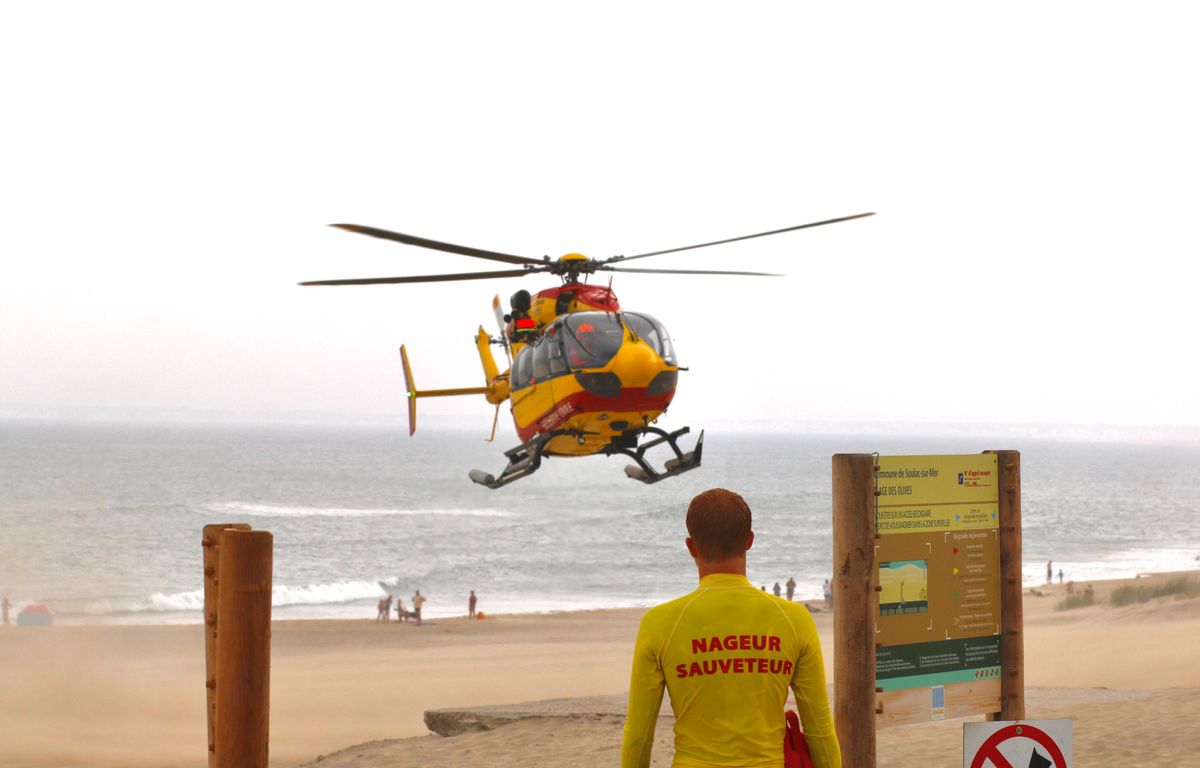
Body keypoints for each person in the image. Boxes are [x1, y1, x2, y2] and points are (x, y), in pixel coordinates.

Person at [621, 488, 840, 768]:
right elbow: (819, 731)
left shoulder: (660, 623)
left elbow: (639, 735)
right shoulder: (793, 619)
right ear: (749, 541)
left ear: (691, 547)